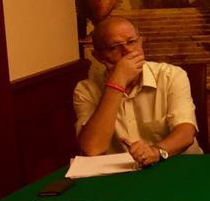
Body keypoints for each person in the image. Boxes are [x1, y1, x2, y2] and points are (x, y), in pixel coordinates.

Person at [75, 16, 201, 165]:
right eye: (114, 47)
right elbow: (92, 149)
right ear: (98, 56)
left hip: (177, 164)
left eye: (132, 42)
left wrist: (156, 152)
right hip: (124, 172)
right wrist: (117, 83)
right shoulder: (86, 90)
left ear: (141, 42)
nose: (127, 50)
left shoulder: (171, 76)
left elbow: (186, 133)